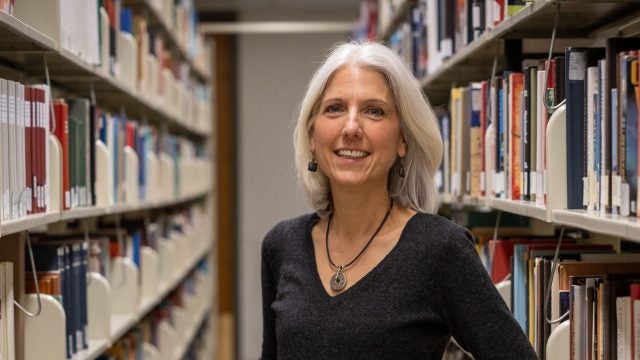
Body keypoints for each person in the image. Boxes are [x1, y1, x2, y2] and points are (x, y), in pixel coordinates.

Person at [260, 41, 537, 359]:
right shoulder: (282, 245)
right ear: (312, 133)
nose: (351, 127)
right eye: (335, 108)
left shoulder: (439, 249)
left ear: (403, 139)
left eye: (373, 111)